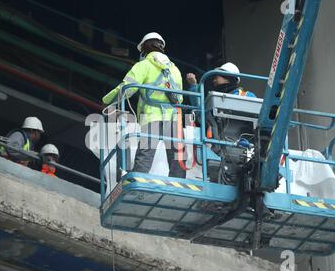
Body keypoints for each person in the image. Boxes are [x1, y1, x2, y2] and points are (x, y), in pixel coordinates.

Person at [102, 32, 186, 179]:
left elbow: (127, 88)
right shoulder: (175, 70)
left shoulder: (143, 65)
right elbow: (180, 98)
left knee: (146, 154)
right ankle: (179, 185)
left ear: (146, 47)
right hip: (174, 119)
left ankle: (137, 180)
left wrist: (107, 100)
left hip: (151, 116)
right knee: (177, 157)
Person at [186, 62, 256, 184]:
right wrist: (194, 87)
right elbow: (200, 115)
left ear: (227, 77)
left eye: (217, 76)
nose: (214, 80)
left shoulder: (247, 96)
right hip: (221, 152)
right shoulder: (214, 99)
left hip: (242, 152)